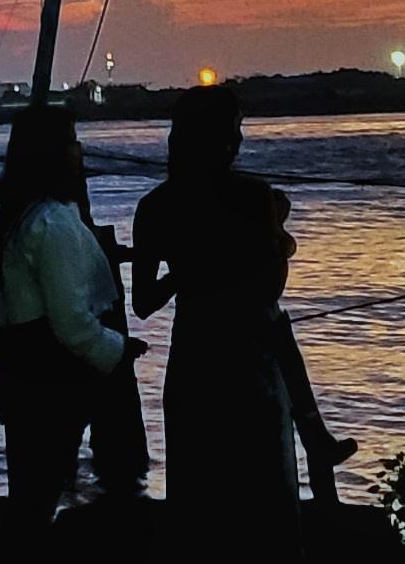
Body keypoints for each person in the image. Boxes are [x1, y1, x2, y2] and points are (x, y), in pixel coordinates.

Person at [129, 85, 351, 524]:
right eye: (234, 132)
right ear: (221, 139)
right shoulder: (253, 196)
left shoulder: (154, 207)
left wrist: (183, 272)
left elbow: (142, 303)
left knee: (201, 502)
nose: (239, 142)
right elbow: (271, 286)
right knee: (266, 502)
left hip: (193, 359)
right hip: (251, 363)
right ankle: (314, 436)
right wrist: (278, 234)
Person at [0, 106, 147, 517]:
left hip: (20, 361)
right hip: (45, 368)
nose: (79, 151)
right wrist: (119, 348)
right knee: (41, 487)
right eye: (72, 142)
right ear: (56, 153)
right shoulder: (53, 224)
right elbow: (71, 321)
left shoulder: (23, 218)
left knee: (32, 486)